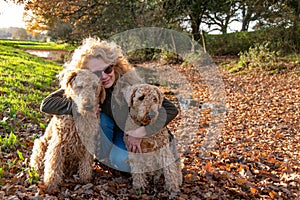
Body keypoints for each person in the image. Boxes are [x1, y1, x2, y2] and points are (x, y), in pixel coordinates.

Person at [40, 37, 178, 172]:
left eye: (107, 69)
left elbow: (171, 109)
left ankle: (151, 162)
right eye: (96, 73)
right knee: (102, 119)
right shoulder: (85, 85)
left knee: (123, 161)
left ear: (115, 66)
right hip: (114, 129)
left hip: (135, 130)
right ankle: (104, 158)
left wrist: (142, 132)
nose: (104, 76)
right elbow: (47, 104)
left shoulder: (131, 84)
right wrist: (77, 107)